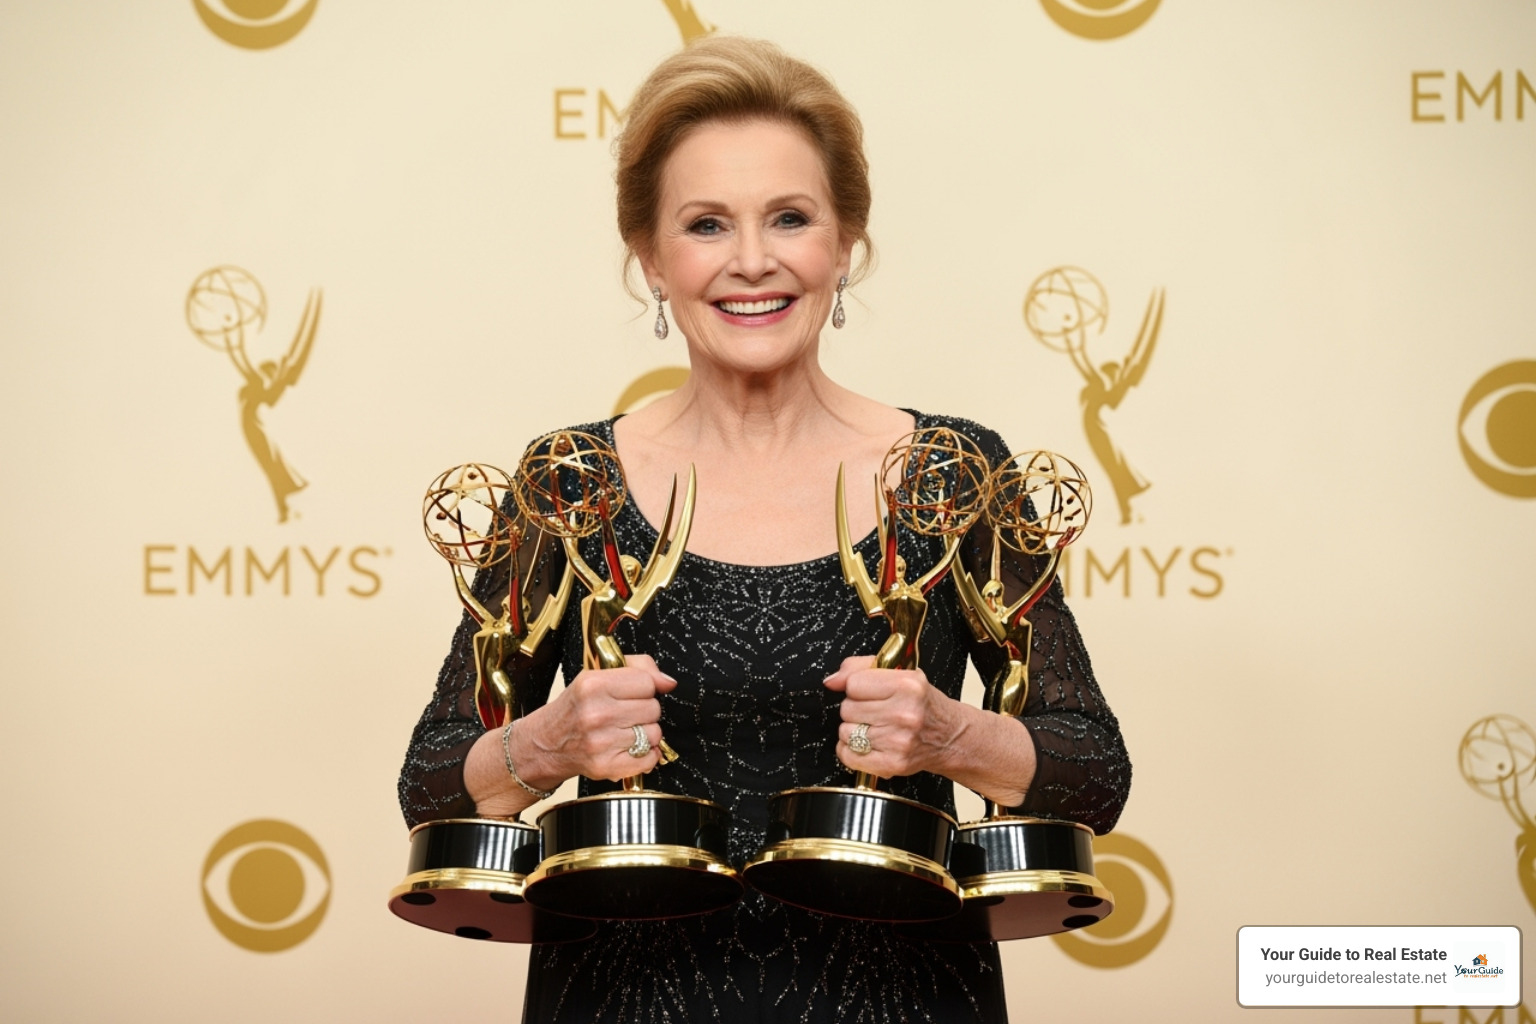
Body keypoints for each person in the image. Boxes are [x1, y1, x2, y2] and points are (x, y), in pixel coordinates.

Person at [398, 36, 1131, 1023]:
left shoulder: (954, 472)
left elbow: (1092, 773)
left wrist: (953, 735)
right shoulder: (566, 483)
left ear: (845, 241)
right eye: (706, 225)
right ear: (651, 258)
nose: (753, 261)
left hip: (904, 1000)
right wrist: (548, 739)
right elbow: (434, 786)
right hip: (621, 1002)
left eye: (790, 217)